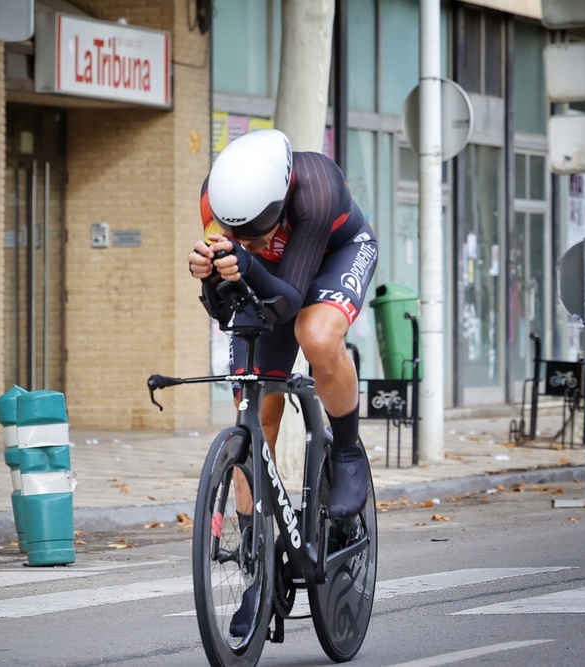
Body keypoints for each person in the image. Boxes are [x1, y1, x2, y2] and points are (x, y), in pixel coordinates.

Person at [187, 129, 378, 635]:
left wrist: (245, 259)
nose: (246, 237)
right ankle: (260, 568)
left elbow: (290, 302)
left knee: (315, 337)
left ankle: (347, 451)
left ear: (282, 194)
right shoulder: (214, 197)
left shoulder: (314, 188)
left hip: (332, 259)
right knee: (256, 405)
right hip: (267, 278)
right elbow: (226, 307)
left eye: (257, 228)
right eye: (237, 231)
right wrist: (209, 275)